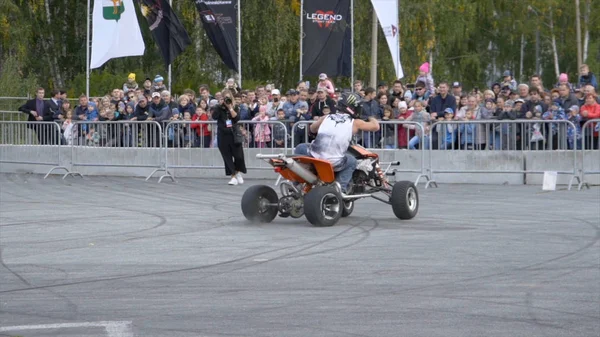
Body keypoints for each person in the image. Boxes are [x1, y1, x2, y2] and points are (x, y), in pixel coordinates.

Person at [294, 92, 380, 194]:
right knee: (352, 161)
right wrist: (370, 116)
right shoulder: (355, 122)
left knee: (300, 147)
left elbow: (312, 129)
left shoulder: (325, 117)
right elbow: (376, 126)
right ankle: (340, 189)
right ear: (351, 107)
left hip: (314, 156)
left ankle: (296, 182)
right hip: (333, 162)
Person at [212, 90, 247, 185]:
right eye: (225, 98)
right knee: (227, 157)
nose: (227, 99)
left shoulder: (235, 106)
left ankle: (238, 171)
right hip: (223, 134)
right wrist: (219, 105)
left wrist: (230, 108)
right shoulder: (218, 108)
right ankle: (233, 176)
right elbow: (214, 117)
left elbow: (236, 118)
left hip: (234, 133)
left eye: (228, 97)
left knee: (238, 156)